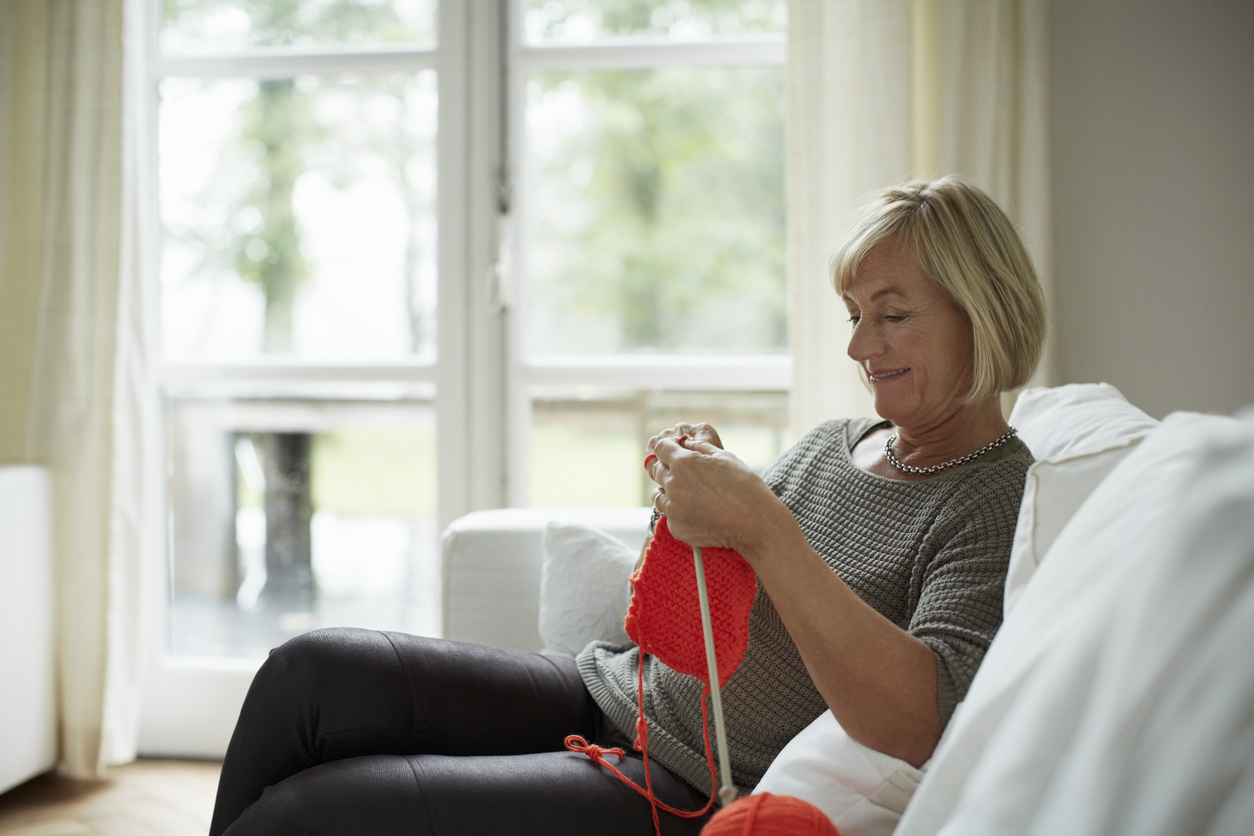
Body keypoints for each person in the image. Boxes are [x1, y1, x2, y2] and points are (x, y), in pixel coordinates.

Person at [208, 176, 1046, 836]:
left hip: (683, 787)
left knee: (315, 816)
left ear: (984, 313)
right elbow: (716, 568)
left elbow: (919, 719)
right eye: (856, 316)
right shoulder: (838, 440)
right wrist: (699, 493)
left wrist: (762, 525)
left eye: (892, 316)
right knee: (308, 675)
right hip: (610, 693)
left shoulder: (994, 492)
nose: (862, 348)